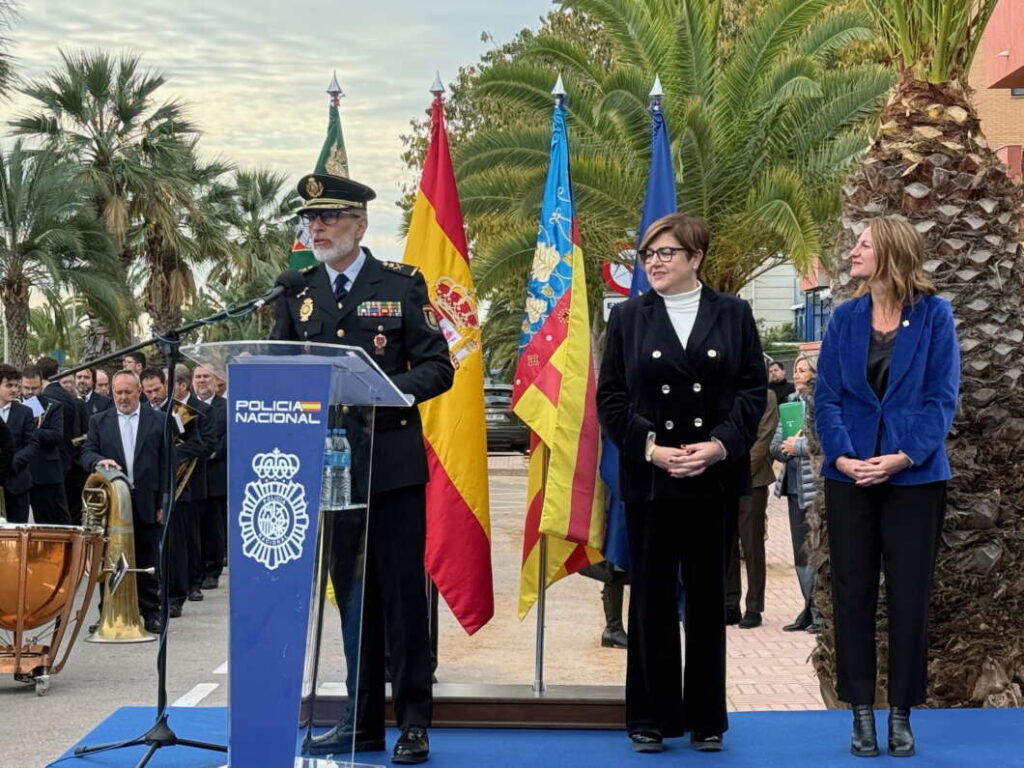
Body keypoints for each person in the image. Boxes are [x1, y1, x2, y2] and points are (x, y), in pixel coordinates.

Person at [273, 172, 453, 765]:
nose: (315, 227)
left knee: (402, 600)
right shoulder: (295, 293)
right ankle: (361, 720)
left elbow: (437, 369)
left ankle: (413, 722)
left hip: (393, 469)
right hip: (330, 473)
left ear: (359, 224)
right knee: (352, 600)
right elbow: (279, 370)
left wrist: (380, 391)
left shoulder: (400, 286)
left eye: (327, 218)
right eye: (310, 218)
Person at [596, 213, 767, 753]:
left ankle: (706, 719)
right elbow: (612, 398)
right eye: (649, 254)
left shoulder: (734, 314)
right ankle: (649, 717)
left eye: (667, 253)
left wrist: (719, 445)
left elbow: (751, 390)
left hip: (710, 478)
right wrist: (651, 447)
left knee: (706, 599)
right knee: (649, 600)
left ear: (695, 258)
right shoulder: (627, 317)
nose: (654, 262)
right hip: (652, 479)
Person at [815, 215, 959, 758]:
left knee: (907, 596)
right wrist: (848, 459)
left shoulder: (934, 316)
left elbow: (940, 399)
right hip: (849, 479)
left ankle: (900, 713)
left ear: (892, 253)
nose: (853, 251)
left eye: (863, 244)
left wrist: (899, 458)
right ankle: (860, 714)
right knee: (852, 595)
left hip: (915, 479)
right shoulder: (845, 318)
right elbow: (826, 397)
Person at [81, 370, 168, 634]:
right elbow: (85, 452)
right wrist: (98, 461)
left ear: (139, 391)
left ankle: (150, 612)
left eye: (128, 392)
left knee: (146, 556)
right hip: (113, 503)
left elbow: (167, 463)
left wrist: (164, 502)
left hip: (146, 500)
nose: (122, 397)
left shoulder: (159, 420)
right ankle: (107, 613)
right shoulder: (99, 420)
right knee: (109, 559)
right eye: (117, 392)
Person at [771, 354, 821, 633]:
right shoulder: (789, 405)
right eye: (797, 370)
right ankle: (808, 608)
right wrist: (787, 448)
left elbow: (825, 442)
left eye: (804, 370)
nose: (798, 374)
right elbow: (775, 446)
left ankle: (820, 612)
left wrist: (799, 446)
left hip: (814, 487)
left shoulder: (823, 404)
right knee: (800, 553)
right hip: (792, 487)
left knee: (817, 552)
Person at [726, 387, 777, 629]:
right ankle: (730, 603)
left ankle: (754, 607)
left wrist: (740, 471)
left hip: (752, 480)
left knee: (752, 544)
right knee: (726, 544)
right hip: (721, 481)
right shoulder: (720, 390)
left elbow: (764, 439)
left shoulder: (766, 396)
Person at [192, 365, 227, 590]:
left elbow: (228, 436)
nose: (202, 381)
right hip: (194, 475)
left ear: (215, 381)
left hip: (215, 474)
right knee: (195, 527)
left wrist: (214, 452)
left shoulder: (225, 407)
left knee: (214, 526)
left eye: (206, 376)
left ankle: (212, 571)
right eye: (198, 377)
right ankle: (195, 571)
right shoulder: (188, 406)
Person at [21, 363, 69, 524]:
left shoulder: (53, 406)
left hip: (45, 474)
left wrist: (29, 431)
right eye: (26, 388)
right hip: (19, 473)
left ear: (41, 385)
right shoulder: (12, 406)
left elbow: (57, 435)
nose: (30, 392)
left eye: (34, 388)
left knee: (51, 522)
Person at [0, 365, 35, 523]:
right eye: (9, 385)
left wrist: (10, 464)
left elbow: (31, 445)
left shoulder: (26, 412)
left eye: (16, 385)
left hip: (18, 483)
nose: (14, 390)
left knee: (17, 532)